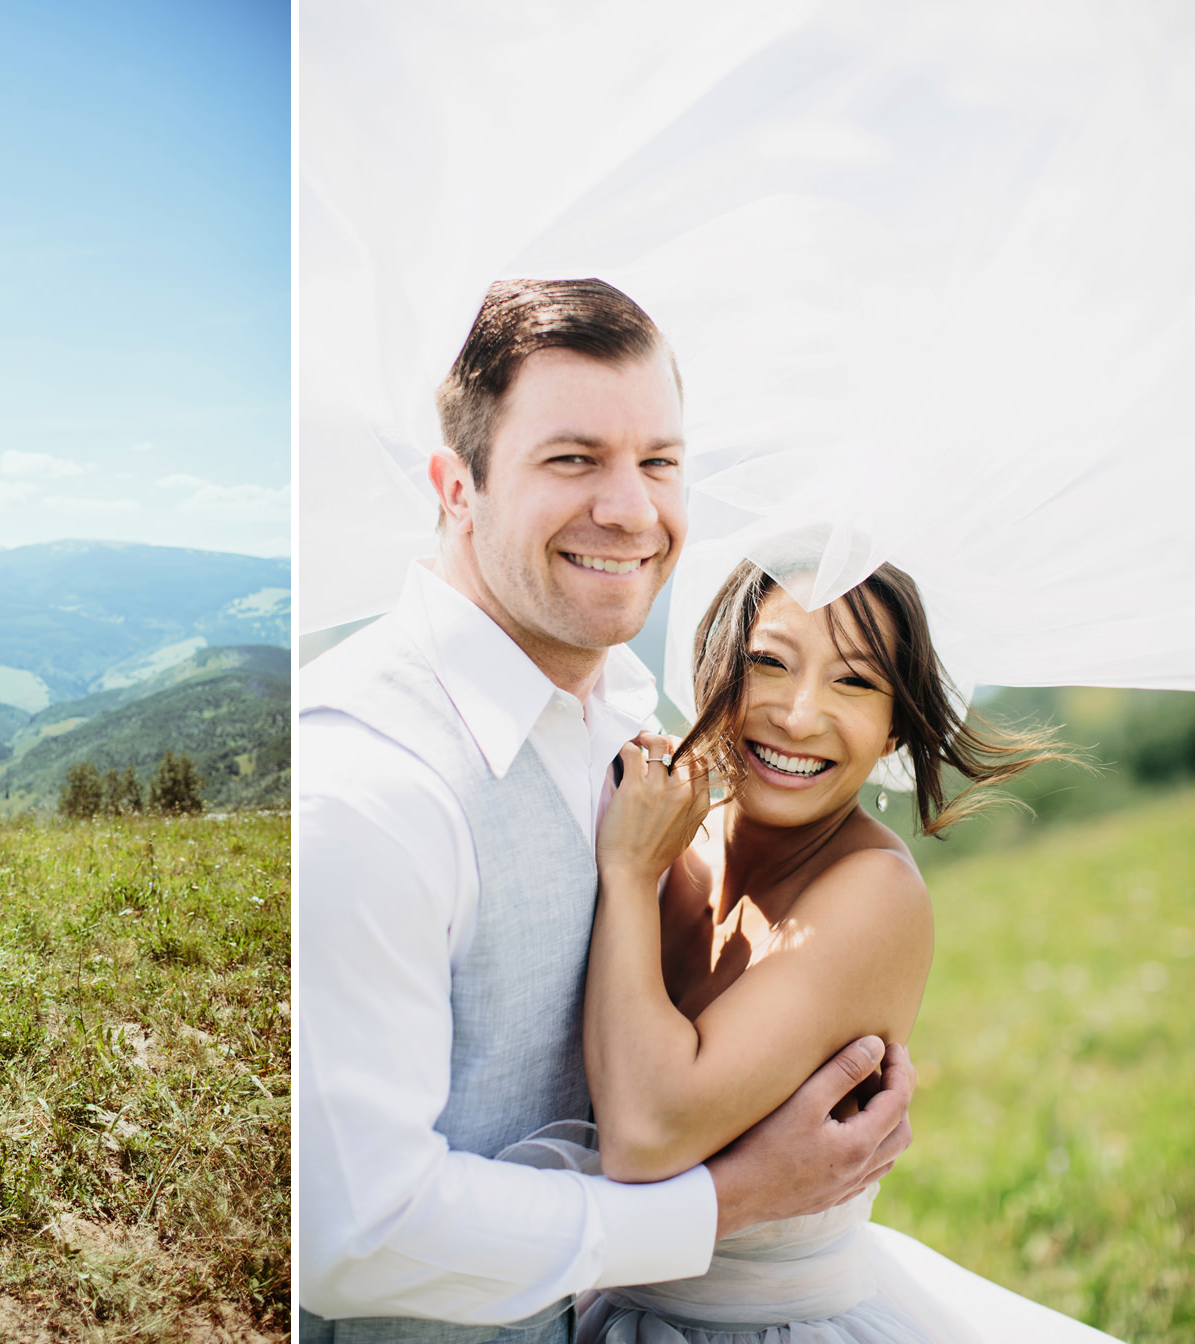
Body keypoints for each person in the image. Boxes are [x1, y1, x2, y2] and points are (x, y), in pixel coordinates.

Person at [300, 279, 914, 1341]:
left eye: (659, 462)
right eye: (573, 459)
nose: (632, 510)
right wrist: (726, 1203)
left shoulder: (629, 718)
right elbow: (355, 1231)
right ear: (459, 486)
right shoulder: (366, 794)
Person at [568, 558, 1116, 1342]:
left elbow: (647, 1134)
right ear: (712, 671)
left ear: (896, 721)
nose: (797, 716)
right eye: (768, 663)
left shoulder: (875, 893)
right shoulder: (682, 847)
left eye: (853, 682)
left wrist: (625, 875)